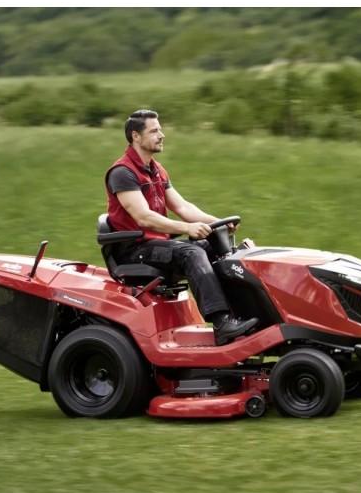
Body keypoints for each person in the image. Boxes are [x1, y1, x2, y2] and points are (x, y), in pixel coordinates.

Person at [104, 109, 258, 346]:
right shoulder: (122, 173)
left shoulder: (156, 170)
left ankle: (246, 314)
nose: (161, 135)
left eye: (160, 129)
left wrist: (218, 222)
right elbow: (143, 217)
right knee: (192, 252)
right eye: (154, 131)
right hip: (134, 249)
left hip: (157, 244)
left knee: (216, 246)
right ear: (136, 136)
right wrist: (187, 228)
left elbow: (183, 206)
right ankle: (222, 323)